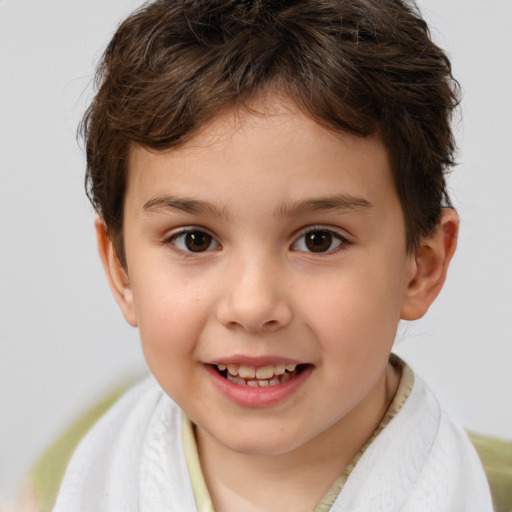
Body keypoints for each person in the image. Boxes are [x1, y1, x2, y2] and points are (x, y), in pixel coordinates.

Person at [52, 0, 494, 511]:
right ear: (121, 269)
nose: (252, 306)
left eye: (319, 240)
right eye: (195, 239)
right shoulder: (67, 477)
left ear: (421, 266)